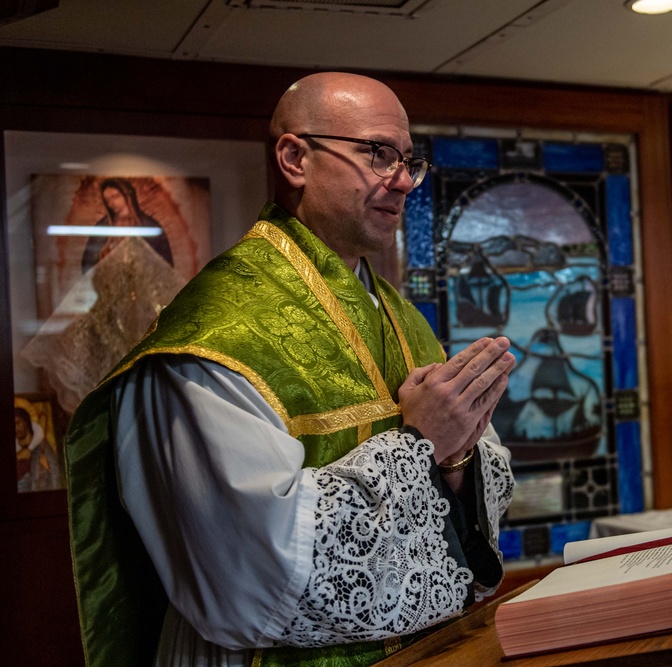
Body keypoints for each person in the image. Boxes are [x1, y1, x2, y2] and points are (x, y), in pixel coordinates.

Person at [65, 72, 517, 667]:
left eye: (410, 160)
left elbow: (468, 470)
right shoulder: (217, 333)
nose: (404, 180)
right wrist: (421, 444)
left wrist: (458, 458)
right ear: (295, 157)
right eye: (378, 154)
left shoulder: (400, 317)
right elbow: (252, 568)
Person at [81, 177, 174, 272]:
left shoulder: (148, 225)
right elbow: (88, 263)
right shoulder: (103, 226)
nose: (111, 203)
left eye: (115, 197)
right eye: (108, 200)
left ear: (127, 195)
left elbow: (164, 263)